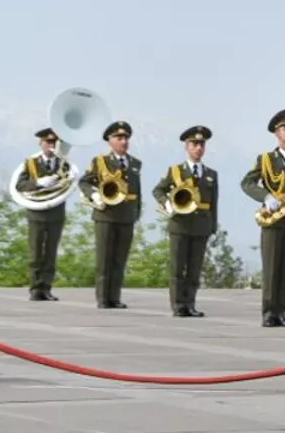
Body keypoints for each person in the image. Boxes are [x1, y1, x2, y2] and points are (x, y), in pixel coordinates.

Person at [243, 109, 285, 327]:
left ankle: (281, 312)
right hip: (272, 219)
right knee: (272, 268)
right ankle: (269, 313)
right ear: (276, 133)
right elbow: (248, 183)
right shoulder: (266, 159)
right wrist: (266, 196)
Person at [153, 125, 219, 318]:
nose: (198, 147)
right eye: (194, 144)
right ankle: (178, 305)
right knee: (178, 267)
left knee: (194, 268)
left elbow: (214, 202)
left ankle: (190, 304)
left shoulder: (210, 174)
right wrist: (167, 204)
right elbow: (158, 190)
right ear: (187, 146)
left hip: (201, 225)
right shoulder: (175, 171)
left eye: (201, 144)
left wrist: (212, 226)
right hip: (180, 224)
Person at [79, 120, 141, 309]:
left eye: (126, 138)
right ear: (110, 140)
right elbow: (84, 182)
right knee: (104, 258)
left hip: (126, 215)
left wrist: (136, 212)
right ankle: (103, 298)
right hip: (106, 215)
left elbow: (137, 191)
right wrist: (95, 195)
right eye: (119, 138)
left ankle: (115, 297)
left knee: (120, 259)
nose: (124, 141)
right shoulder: (101, 162)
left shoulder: (135, 163)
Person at [16, 127, 69, 302]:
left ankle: (46, 288)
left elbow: (69, 183)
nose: (50, 145)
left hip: (56, 212)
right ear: (41, 143)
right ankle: (35, 288)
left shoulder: (64, 163)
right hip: (36, 213)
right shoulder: (31, 163)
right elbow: (20, 185)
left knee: (51, 253)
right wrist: (38, 182)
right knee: (36, 252)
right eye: (47, 142)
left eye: (53, 142)